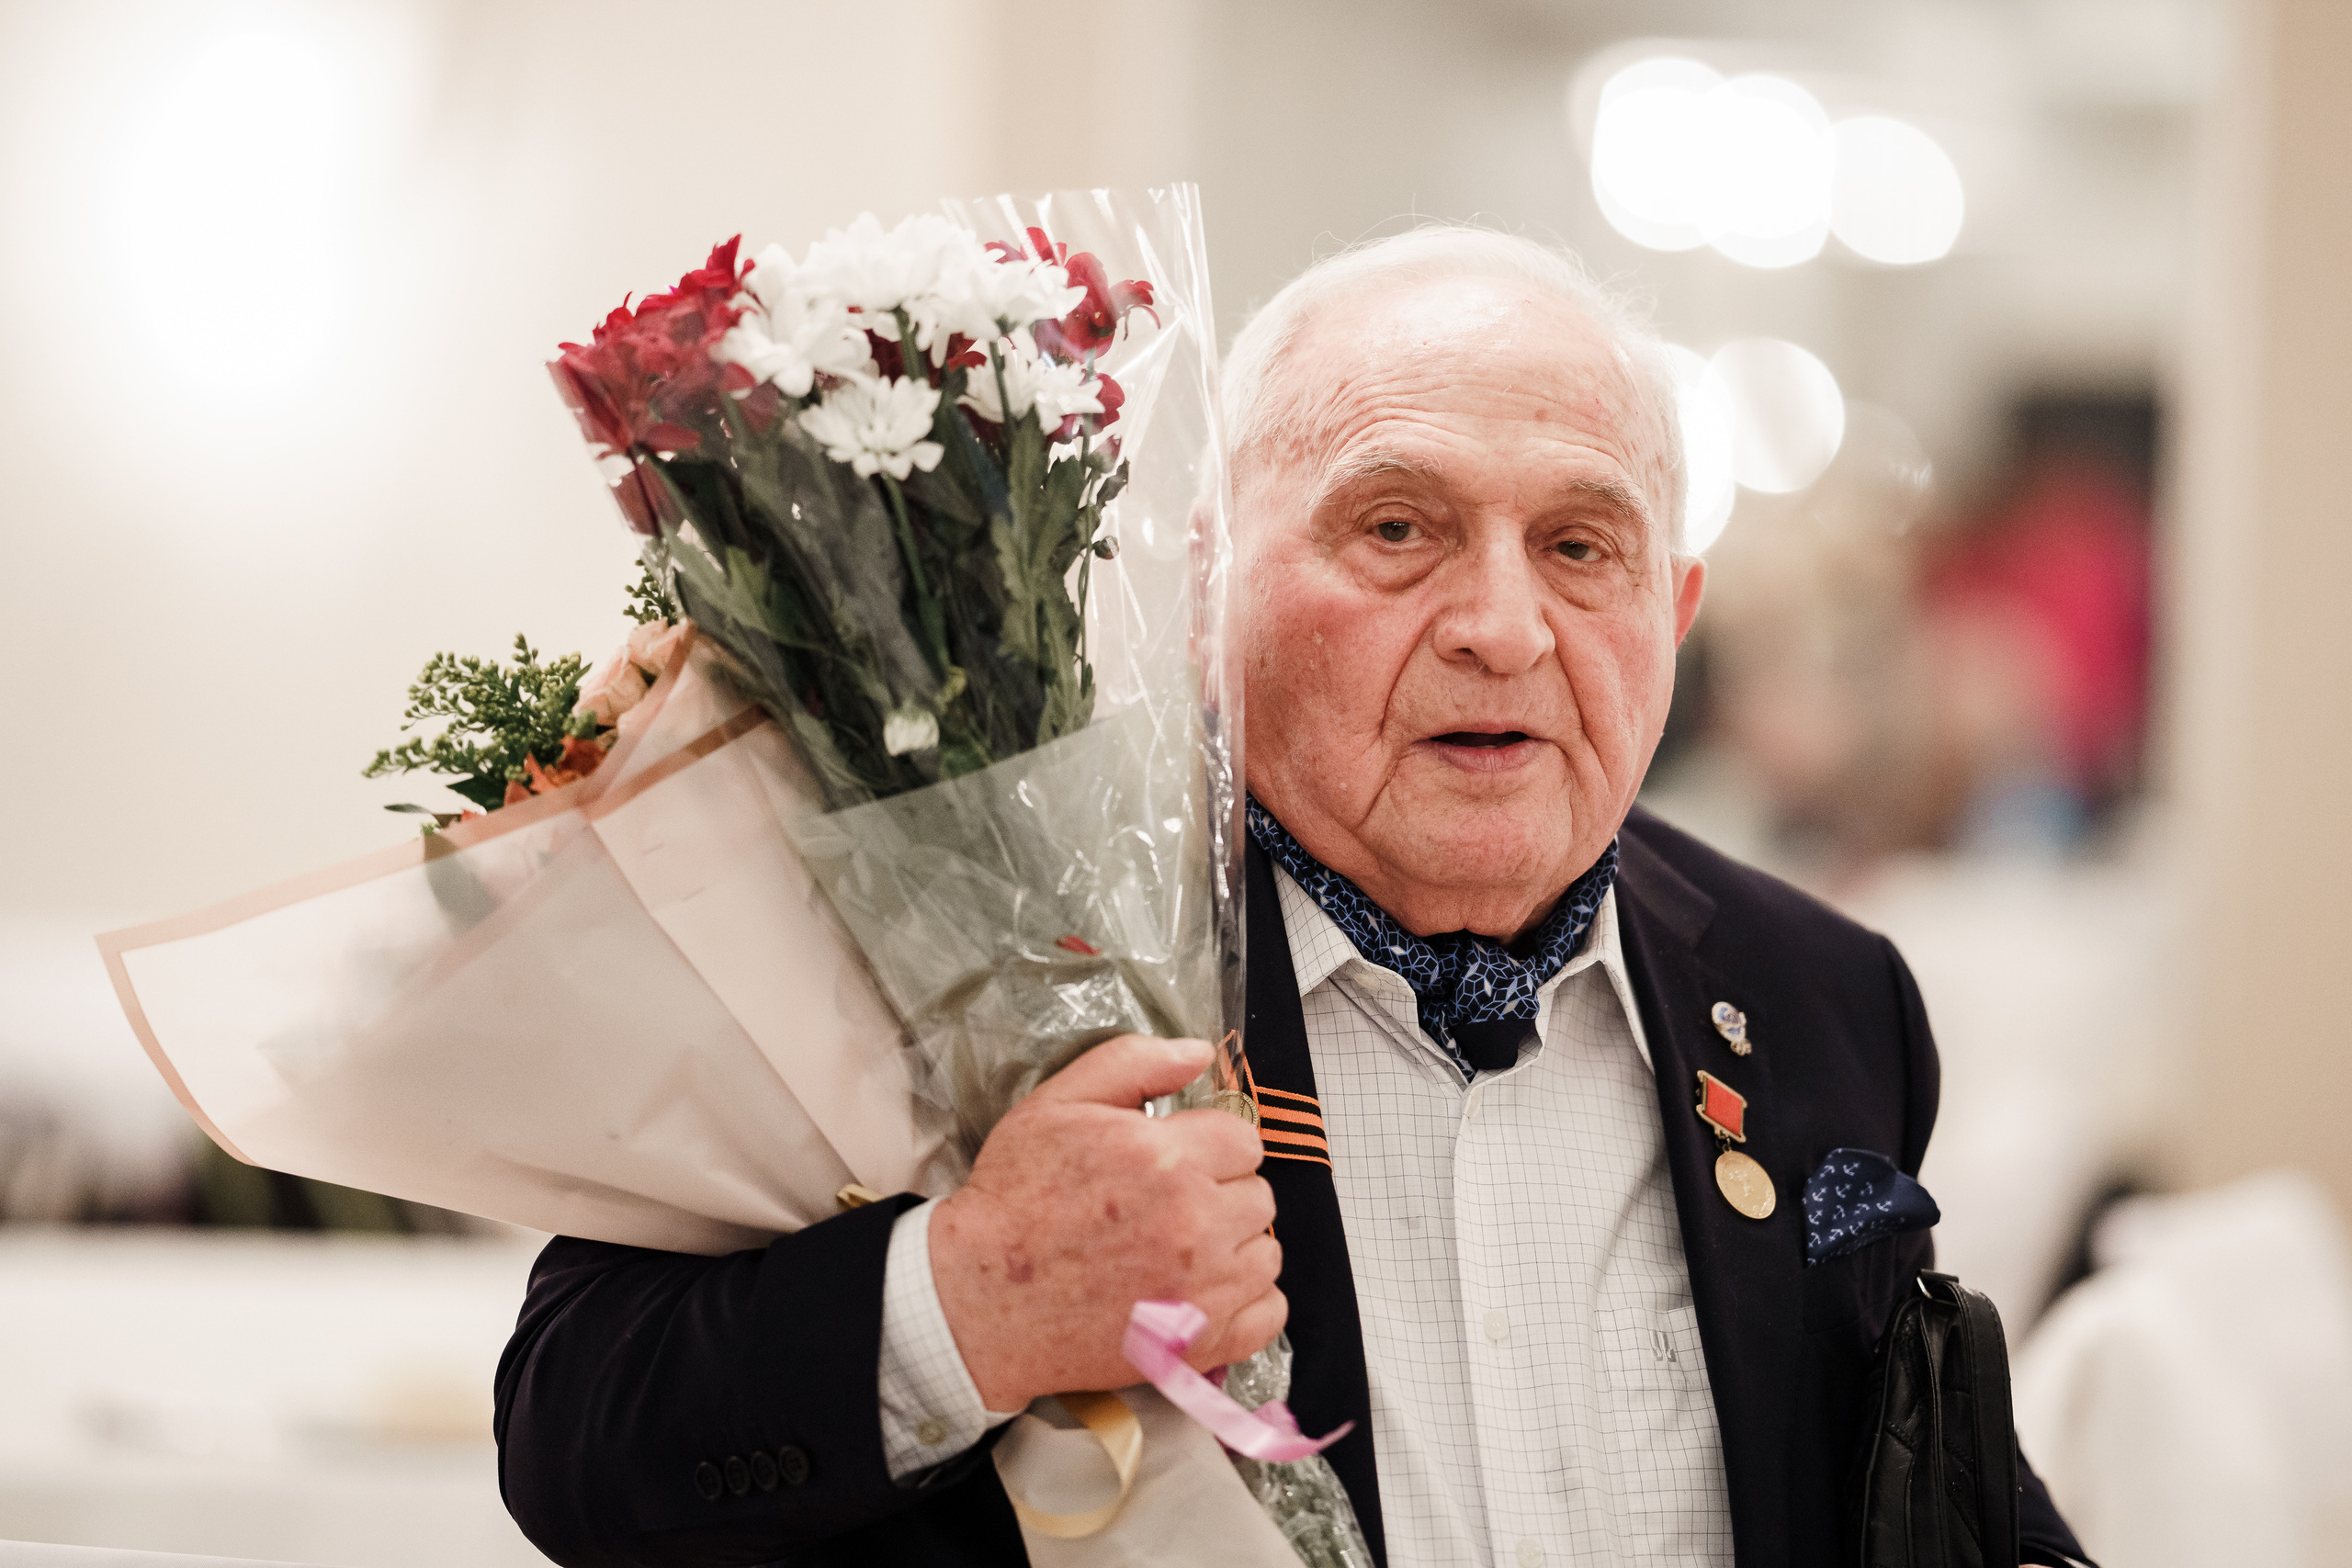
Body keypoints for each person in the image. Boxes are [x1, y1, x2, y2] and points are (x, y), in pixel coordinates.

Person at [494, 227, 2091, 1568]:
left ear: (1672, 611)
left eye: (1581, 546)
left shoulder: (1821, 992)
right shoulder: (971, 950)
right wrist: (966, 1302)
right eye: (1397, 528)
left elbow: (1921, 1485)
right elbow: (574, 1437)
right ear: (1212, 591)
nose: (1503, 627)